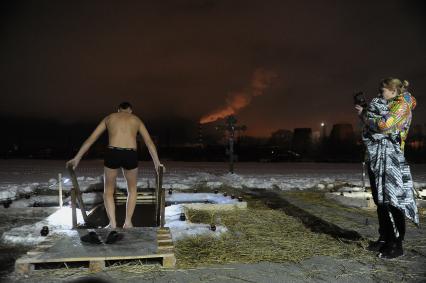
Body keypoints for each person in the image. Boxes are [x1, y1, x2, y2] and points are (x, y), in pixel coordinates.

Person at [66, 102, 164, 229]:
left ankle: (112, 223)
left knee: (108, 192)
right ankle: (128, 222)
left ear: (118, 110)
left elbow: (91, 139)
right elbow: (149, 142)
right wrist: (157, 163)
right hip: (130, 154)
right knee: (132, 190)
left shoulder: (109, 118)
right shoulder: (136, 119)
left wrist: (77, 158)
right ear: (130, 110)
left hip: (112, 153)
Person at [355, 78, 419, 259]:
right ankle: (385, 238)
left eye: (383, 90)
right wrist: (365, 114)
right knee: (380, 199)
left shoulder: (402, 105)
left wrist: (366, 115)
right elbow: (376, 122)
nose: (380, 93)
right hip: (376, 157)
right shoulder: (387, 103)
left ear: (393, 91)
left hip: (391, 159)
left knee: (391, 200)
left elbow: (384, 125)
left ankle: (396, 244)